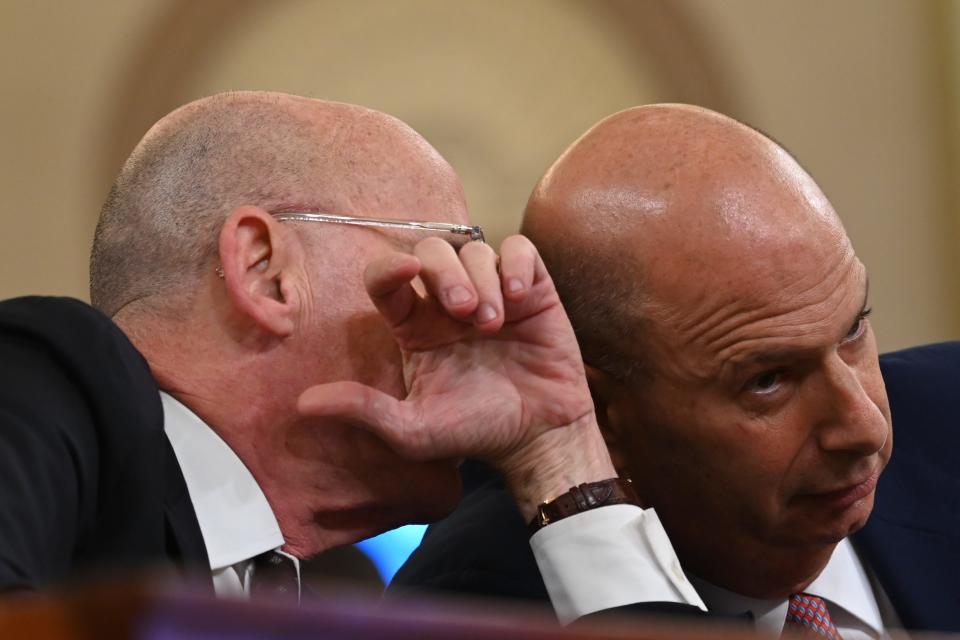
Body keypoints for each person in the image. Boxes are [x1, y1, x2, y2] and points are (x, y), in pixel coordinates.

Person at [0, 91, 619, 599]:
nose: (487, 316)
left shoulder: (334, 588)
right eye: (445, 252)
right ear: (266, 271)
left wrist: (562, 455)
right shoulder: (43, 387)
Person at [391, 105, 960, 634]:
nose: (864, 427)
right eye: (768, 380)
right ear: (602, 415)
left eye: (853, 330)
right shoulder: (475, 604)